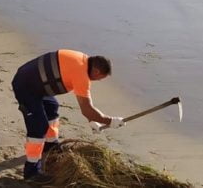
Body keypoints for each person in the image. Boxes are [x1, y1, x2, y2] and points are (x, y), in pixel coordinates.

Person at [12, 50, 125, 182]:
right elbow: (87, 109)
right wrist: (110, 121)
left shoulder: (81, 59)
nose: (97, 81)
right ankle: (31, 172)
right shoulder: (81, 74)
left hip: (36, 82)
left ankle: (51, 146)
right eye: (99, 78)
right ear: (96, 71)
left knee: (52, 107)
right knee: (38, 127)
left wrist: (92, 121)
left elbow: (87, 108)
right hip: (25, 86)